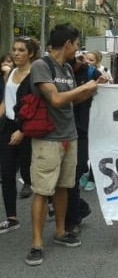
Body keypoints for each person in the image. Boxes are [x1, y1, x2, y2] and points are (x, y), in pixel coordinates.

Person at [24, 23, 102, 266]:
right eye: (77, 44)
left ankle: (60, 232)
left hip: (69, 137)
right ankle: (36, 244)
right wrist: (84, 87)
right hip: (48, 139)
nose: (78, 49)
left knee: (63, 187)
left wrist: (93, 89)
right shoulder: (41, 66)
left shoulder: (67, 68)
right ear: (68, 43)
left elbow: (73, 100)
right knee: (42, 190)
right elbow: (56, 99)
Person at [0, 37, 39, 234]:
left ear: (30, 53)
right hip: (8, 126)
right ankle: (12, 218)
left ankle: (48, 201)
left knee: (28, 174)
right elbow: (6, 101)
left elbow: (36, 107)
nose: (16, 53)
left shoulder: (35, 75)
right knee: (6, 173)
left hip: (26, 127)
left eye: (21, 50)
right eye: (14, 49)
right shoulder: (11, 72)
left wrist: (22, 131)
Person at [64, 53, 102, 237]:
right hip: (58, 130)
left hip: (82, 130)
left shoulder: (90, 73)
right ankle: (80, 208)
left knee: (74, 174)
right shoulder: (49, 71)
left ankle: (72, 220)